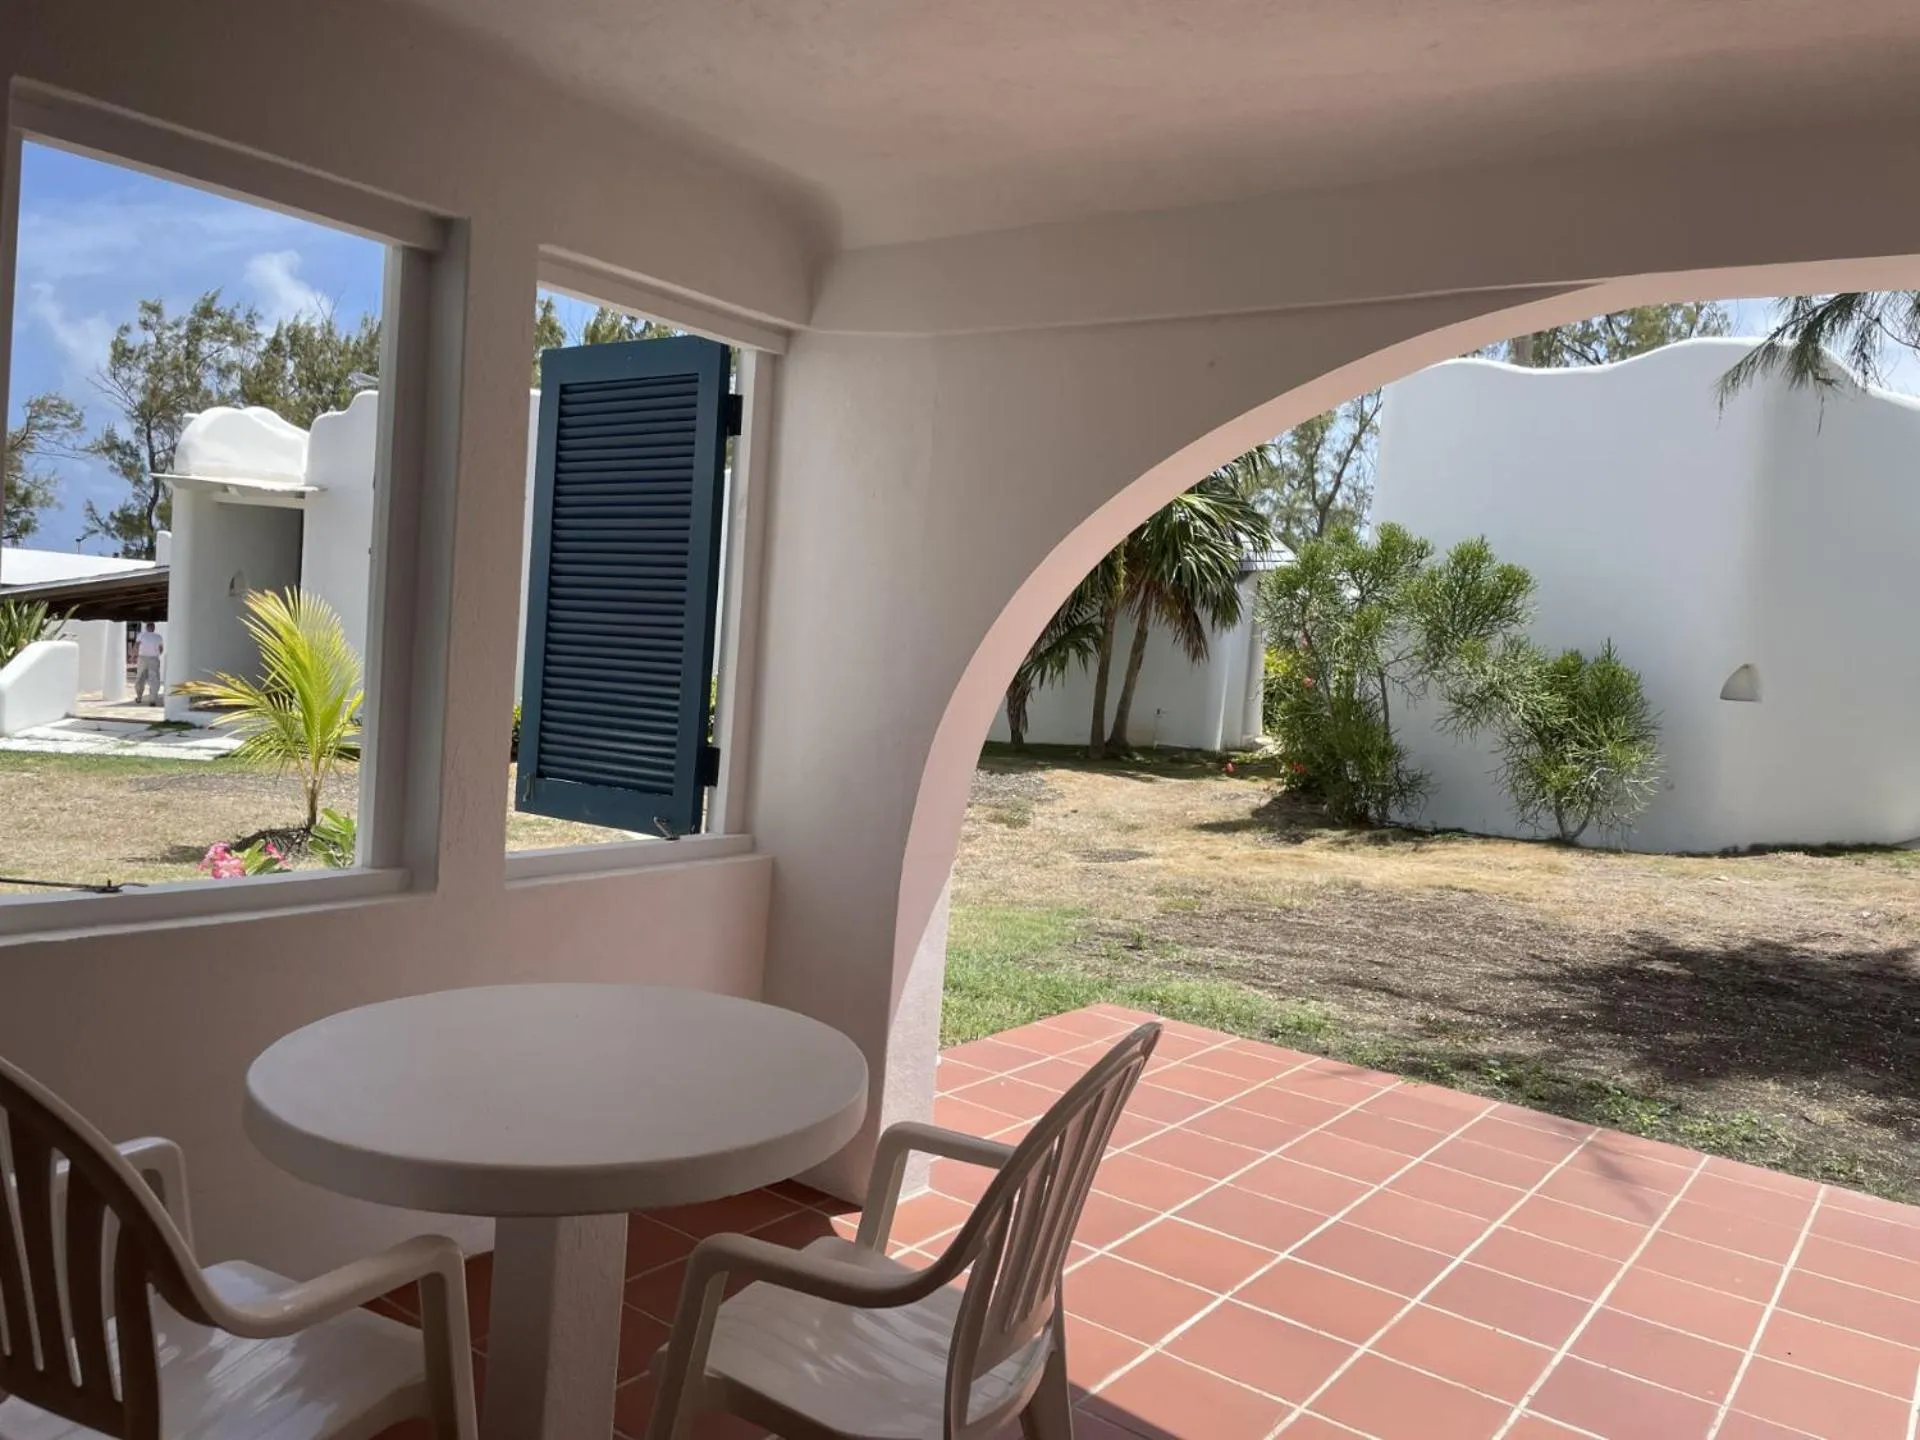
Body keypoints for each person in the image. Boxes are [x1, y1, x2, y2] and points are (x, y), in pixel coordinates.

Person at [134, 622, 164, 706]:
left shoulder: (141, 635)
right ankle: (152, 700)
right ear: (154, 628)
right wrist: (156, 655)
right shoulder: (158, 636)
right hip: (154, 658)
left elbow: (136, 646)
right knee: (154, 679)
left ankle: (139, 697)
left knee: (140, 677)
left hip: (142, 658)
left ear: (146, 628)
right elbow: (161, 649)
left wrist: (135, 655)